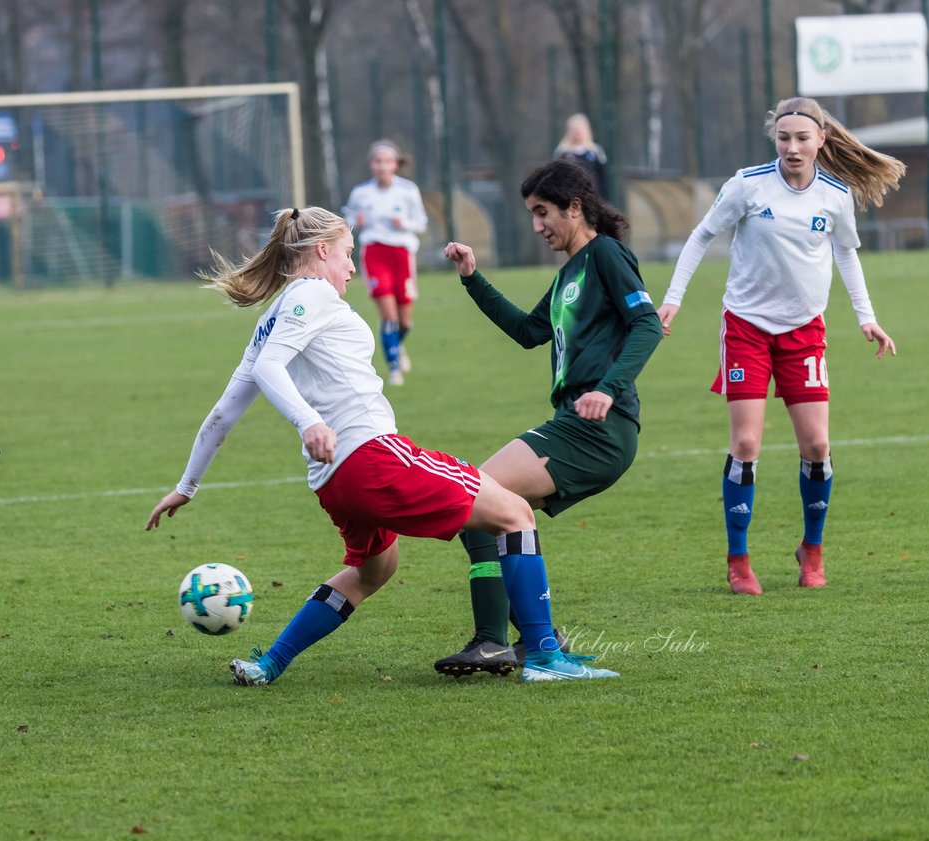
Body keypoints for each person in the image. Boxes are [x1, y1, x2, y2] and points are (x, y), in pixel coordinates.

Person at [146, 206, 617, 685]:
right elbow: (268, 373)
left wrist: (188, 484)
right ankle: (543, 657)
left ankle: (267, 665)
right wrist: (310, 422)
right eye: (349, 254)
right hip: (371, 456)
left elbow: (224, 411)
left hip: (332, 482)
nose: (353, 267)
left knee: (374, 571)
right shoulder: (313, 294)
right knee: (515, 511)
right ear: (322, 250)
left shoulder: (273, 317)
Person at [657, 96, 901, 595]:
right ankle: (738, 559)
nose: (792, 147)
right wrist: (672, 299)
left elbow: (847, 255)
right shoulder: (747, 185)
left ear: (821, 141)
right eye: (784, 138)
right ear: (775, 139)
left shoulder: (834, 194)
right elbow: (701, 236)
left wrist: (867, 318)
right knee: (746, 444)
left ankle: (812, 551)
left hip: (804, 332)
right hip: (745, 326)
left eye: (802, 138)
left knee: (817, 446)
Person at [433, 159, 662, 677]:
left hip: (599, 429)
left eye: (543, 213)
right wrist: (473, 279)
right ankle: (523, 642)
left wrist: (607, 388)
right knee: (478, 508)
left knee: (472, 493)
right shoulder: (570, 274)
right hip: (574, 422)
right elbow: (527, 330)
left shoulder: (606, 254)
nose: (537, 226)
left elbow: (645, 324)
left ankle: (516, 643)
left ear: (575, 207)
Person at [344, 139, 427, 387]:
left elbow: (421, 223)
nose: (382, 166)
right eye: (378, 161)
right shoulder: (361, 193)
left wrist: (405, 224)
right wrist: (355, 221)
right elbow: (348, 221)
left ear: (395, 164)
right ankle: (393, 368)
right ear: (372, 164)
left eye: (387, 161)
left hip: (402, 254)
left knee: (404, 321)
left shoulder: (408, 191)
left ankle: (397, 346)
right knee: (389, 315)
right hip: (374, 252)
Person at [554, 113, 609, 201]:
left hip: (593, 198)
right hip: (570, 199)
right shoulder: (562, 153)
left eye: (580, 129)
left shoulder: (596, 151)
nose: (577, 133)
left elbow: (603, 178)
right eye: (574, 130)